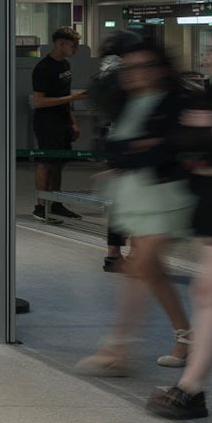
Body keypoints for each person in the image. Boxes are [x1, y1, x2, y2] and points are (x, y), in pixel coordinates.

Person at [77, 34, 195, 378]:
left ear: (160, 69)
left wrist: (134, 151)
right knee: (151, 272)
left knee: (137, 268)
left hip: (165, 199)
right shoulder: (127, 103)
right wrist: (134, 150)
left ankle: (117, 349)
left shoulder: (174, 102)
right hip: (137, 198)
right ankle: (185, 338)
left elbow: (159, 151)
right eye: (129, 67)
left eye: (143, 66)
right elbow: (116, 149)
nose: (135, 73)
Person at [151, 27, 212, 421]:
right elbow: (182, 139)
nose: (210, 57)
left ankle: (192, 387)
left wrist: (211, 136)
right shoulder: (211, 95)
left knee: (208, 292)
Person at [30, 28, 87, 223]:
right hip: (47, 123)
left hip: (62, 121)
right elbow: (38, 102)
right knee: (46, 163)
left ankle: (55, 202)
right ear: (60, 43)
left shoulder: (64, 65)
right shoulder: (43, 68)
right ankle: (40, 205)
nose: (76, 49)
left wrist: (72, 122)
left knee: (58, 163)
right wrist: (73, 97)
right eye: (73, 45)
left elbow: (65, 97)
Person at [84, 42, 131, 271]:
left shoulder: (104, 72)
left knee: (119, 201)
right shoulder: (126, 69)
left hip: (113, 138)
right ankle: (137, 254)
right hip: (131, 139)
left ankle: (113, 253)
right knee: (136, 197)